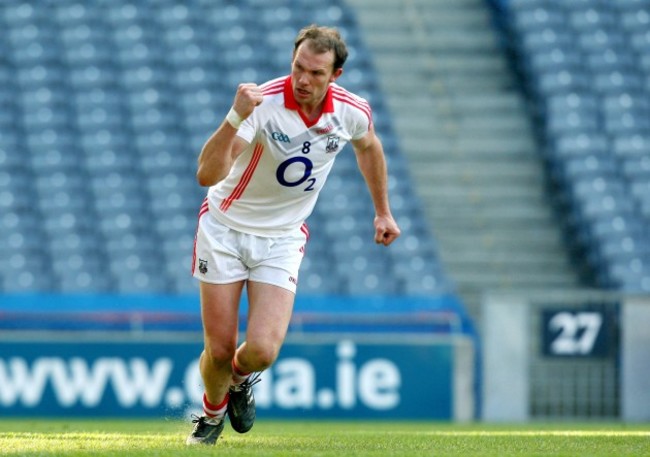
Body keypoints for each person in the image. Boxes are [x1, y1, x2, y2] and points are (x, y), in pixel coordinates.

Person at [186, 24, 401, 445]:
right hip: (224, 229)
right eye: (298, 67)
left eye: (316, 73)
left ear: (335, 75)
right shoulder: (263, 105)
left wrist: (383, 212)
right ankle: (211, 418)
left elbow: (370, 147)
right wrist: (235, 116)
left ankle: (240, 381)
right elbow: (206, 175)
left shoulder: (352, 112)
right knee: (219, 349)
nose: (303, 80)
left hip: (282, 237)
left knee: (261, 351)